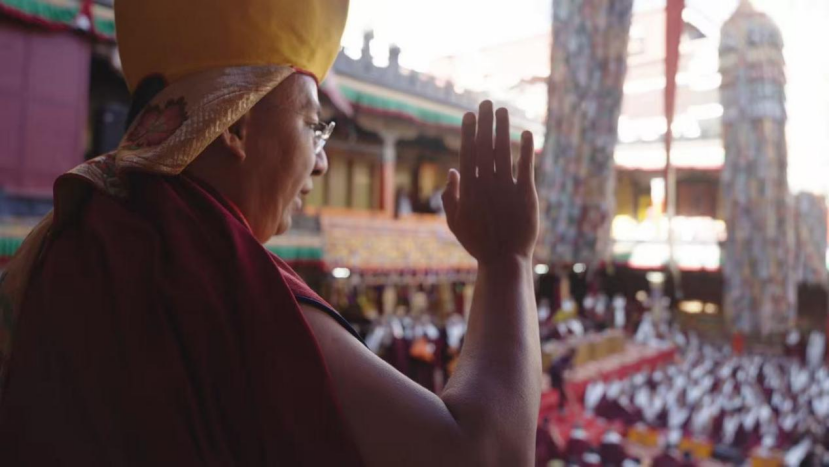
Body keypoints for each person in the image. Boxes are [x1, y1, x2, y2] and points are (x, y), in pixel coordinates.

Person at [0, 0, 543, 465]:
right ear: (237, 125)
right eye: (313, 126)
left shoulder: (64, 241)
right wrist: (506, 260)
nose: (322, 163)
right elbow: (483, 453)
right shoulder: (218, 275)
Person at [549, 348, 577, 412]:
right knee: (561, 390)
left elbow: (571, 366)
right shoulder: (559, 360)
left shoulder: (569, 359)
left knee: (563, 390)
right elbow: (555, 369)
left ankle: (563, 403)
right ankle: (561, 406)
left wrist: (571, 372)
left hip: (561, 376)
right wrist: (563, 374)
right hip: (556, 376)